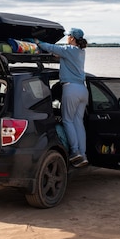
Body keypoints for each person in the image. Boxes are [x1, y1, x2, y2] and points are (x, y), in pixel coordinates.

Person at [35, 28, 89, 167]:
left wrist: (37, 42)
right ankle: (83, 155)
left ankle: (75, 151)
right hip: (83, 89)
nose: (67, 38)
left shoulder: (69, 49)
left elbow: (50, 47)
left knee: (67, 120)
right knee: (78, 122)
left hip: (71, 89)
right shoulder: (80, 52)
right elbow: (59, 54)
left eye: (68, 36)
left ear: (71, 38)